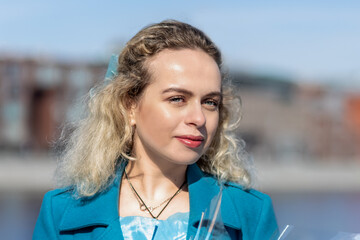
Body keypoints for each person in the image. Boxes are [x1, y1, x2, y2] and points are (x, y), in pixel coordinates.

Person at [33, 20, 278, 240]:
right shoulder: (61, 212)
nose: (199, 118)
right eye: (177, 99)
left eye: (210, 102)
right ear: (129, 105)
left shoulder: (250, 212)